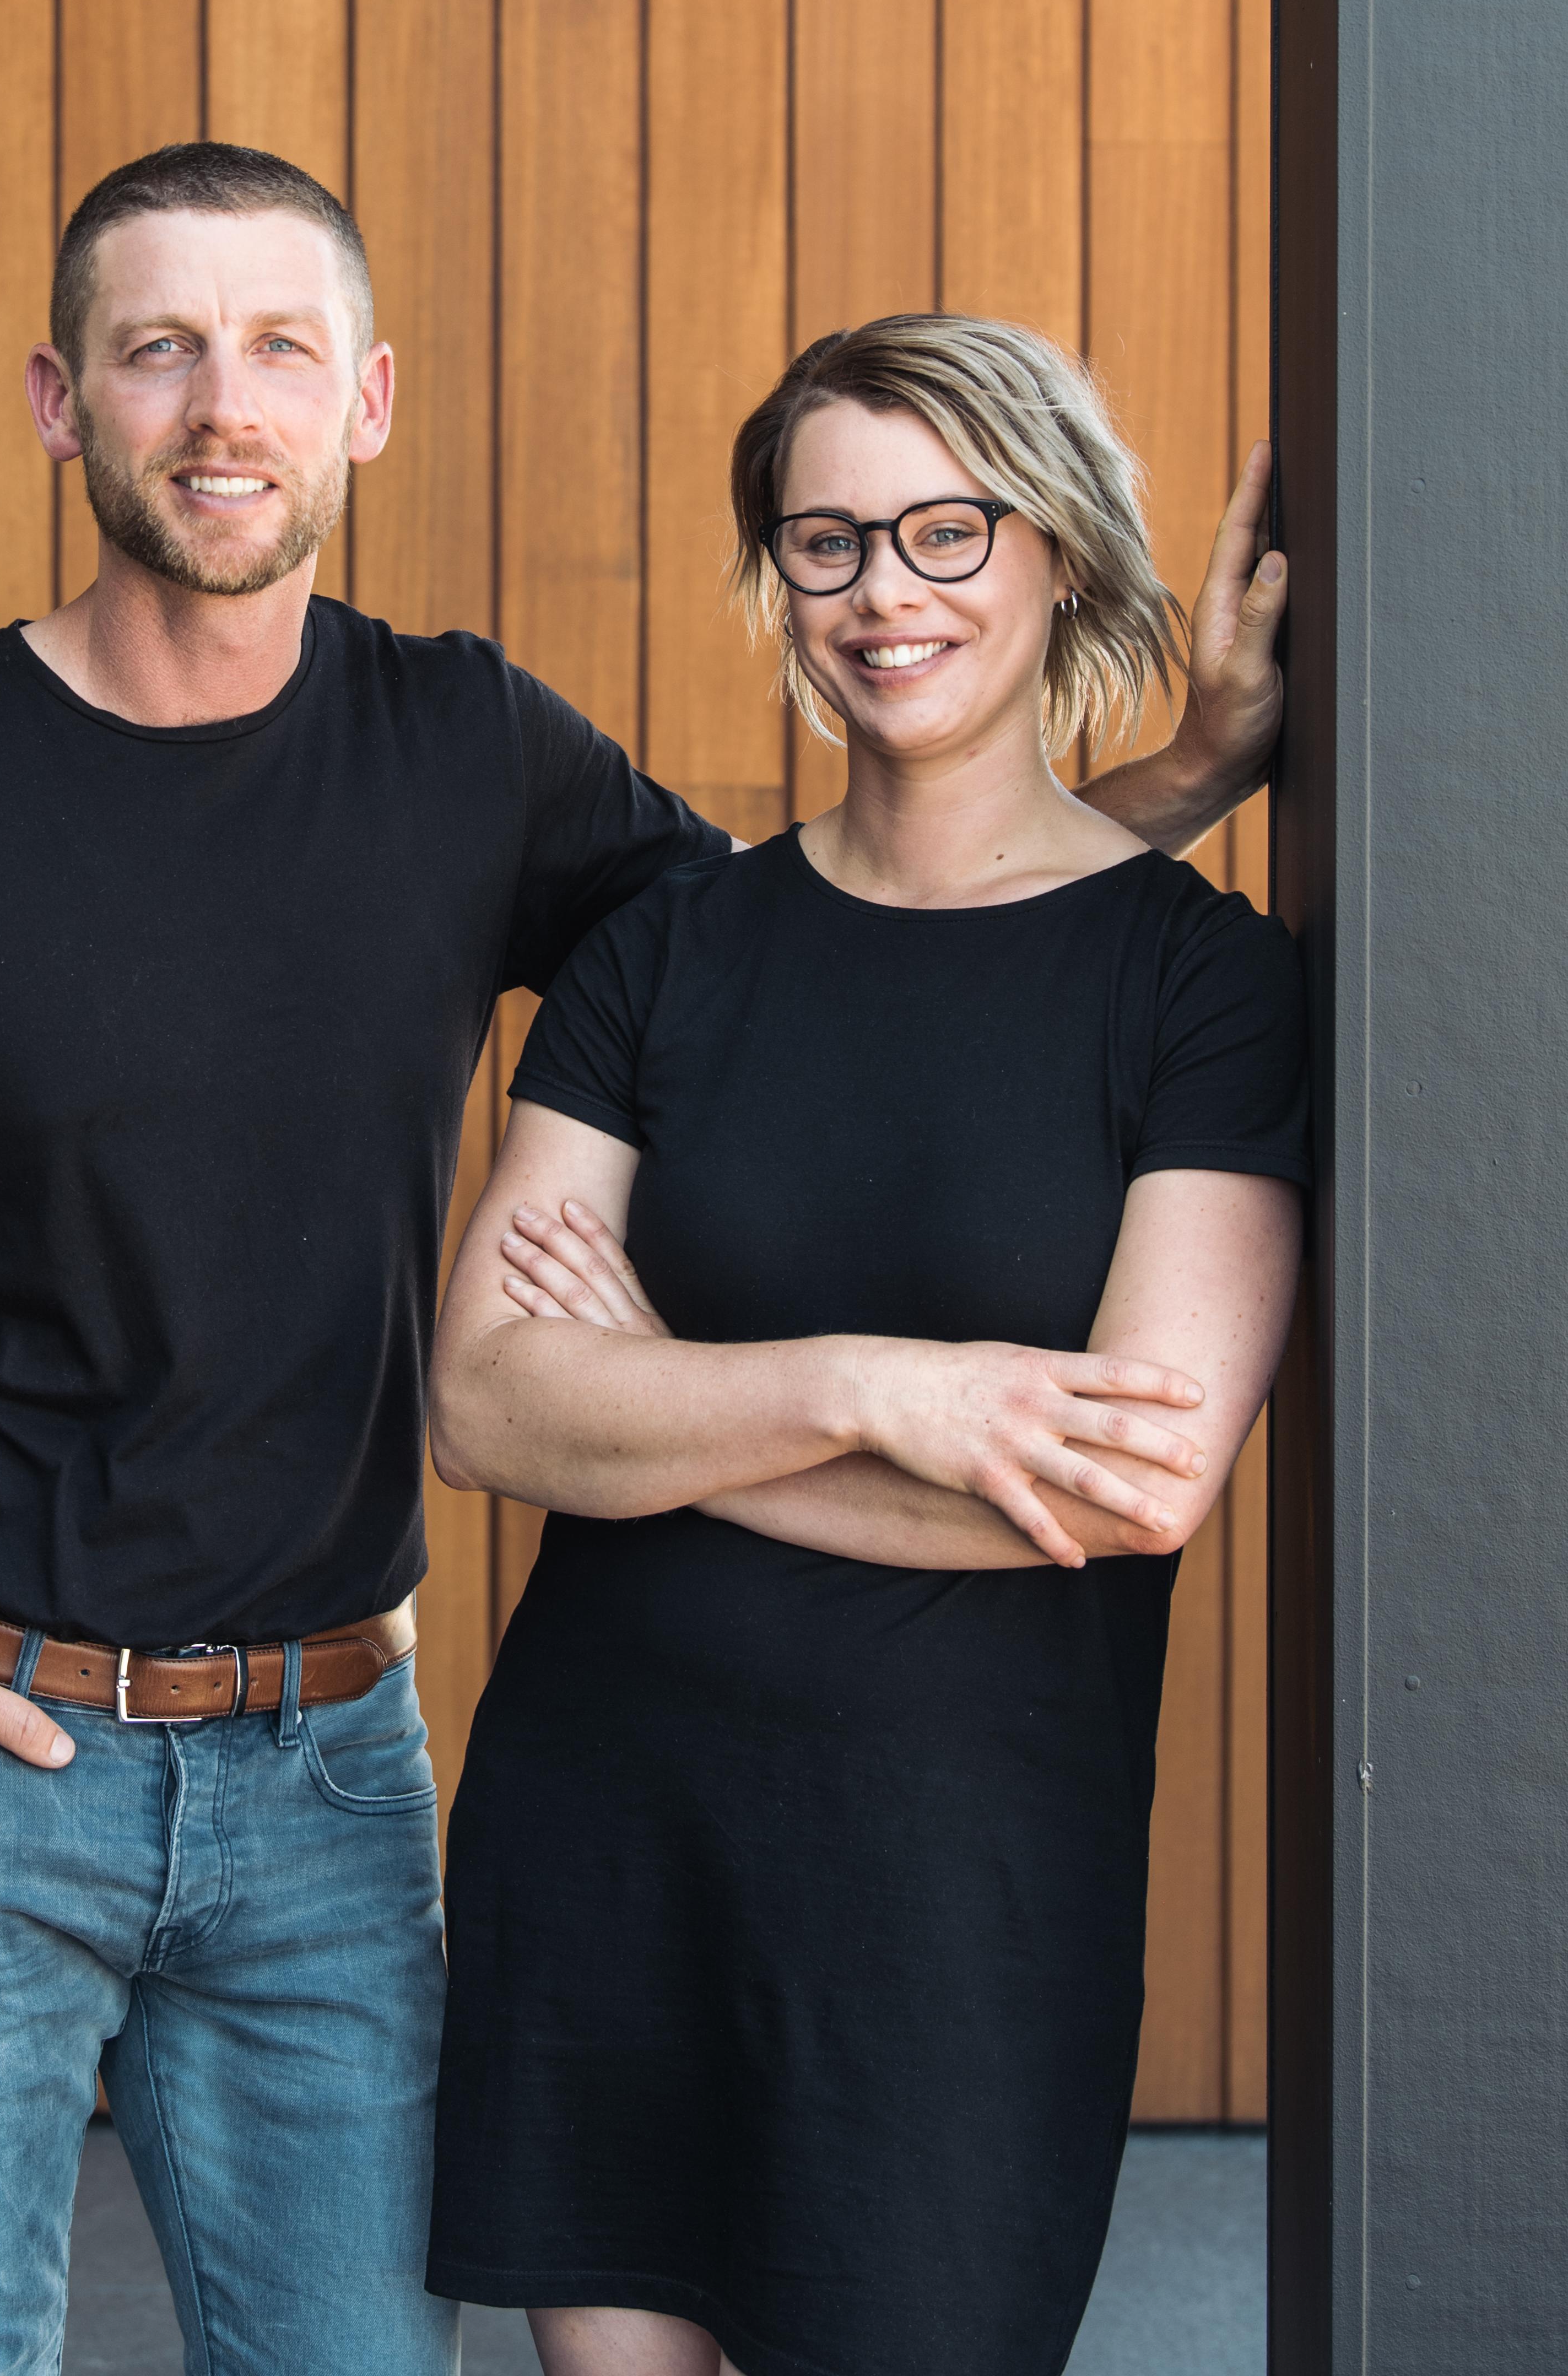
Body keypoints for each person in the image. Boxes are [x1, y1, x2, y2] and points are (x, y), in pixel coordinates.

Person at [0, 163, 1284, 2376]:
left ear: (367, 402)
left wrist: (1197, 764)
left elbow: (869, 932)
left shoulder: (474, 754)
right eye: (157, 347)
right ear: (63, 402)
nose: (218, 404)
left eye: (276, 349)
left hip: (330, 1772)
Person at [424, 316, 1310, 2376]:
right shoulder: (667, 945)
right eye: (823, 544)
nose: (882, 594)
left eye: (943, 530)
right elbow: (483, 1400)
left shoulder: (1199, 986)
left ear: (1060, 559)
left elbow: (1125, 1483)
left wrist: (664, 1401)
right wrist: (878, 1387)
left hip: (953, 1894)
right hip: (612, 1828)